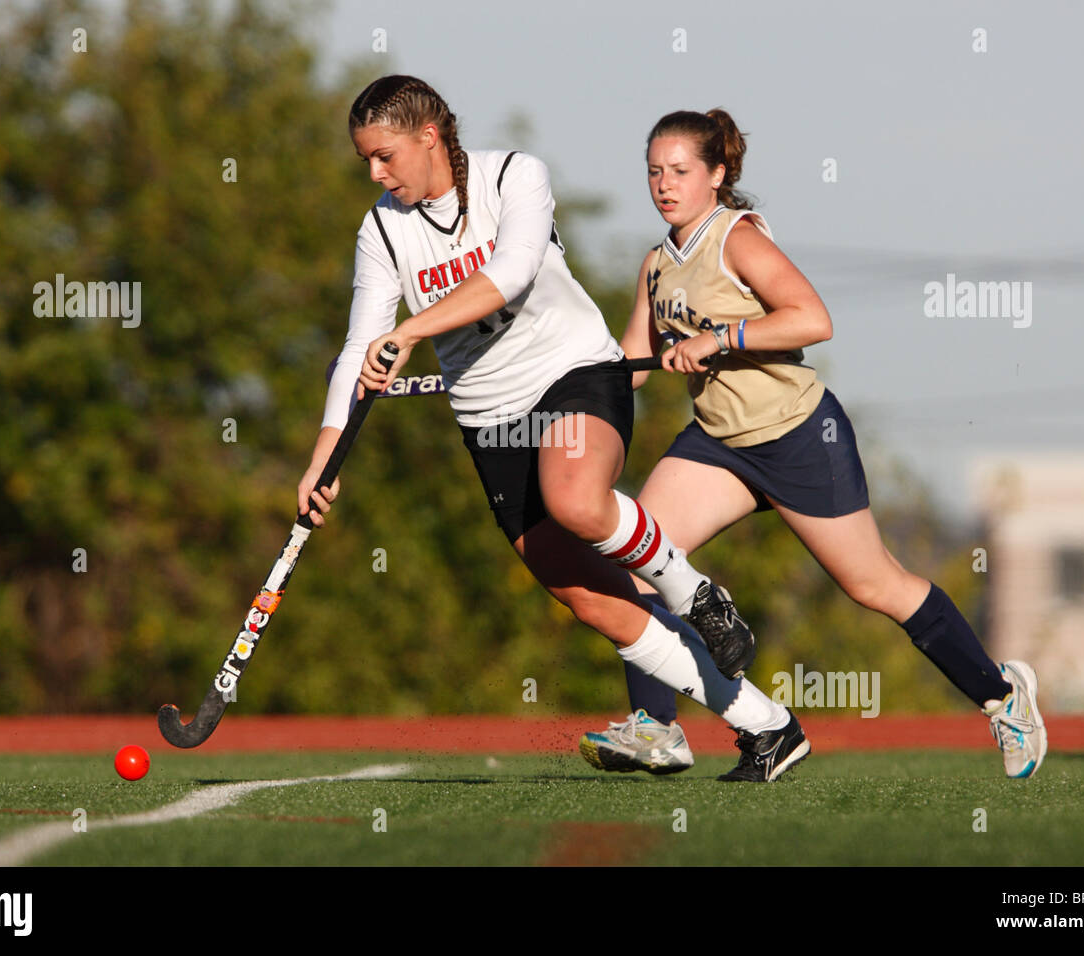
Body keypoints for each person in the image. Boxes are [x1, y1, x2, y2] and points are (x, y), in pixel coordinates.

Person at [299, 76, 809, 782]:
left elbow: (509, 275)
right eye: (366, 162)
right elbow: (359, 349)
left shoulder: (517, 176)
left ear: (427, 136)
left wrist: (412, 328)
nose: (376, 174)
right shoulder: (383, 229)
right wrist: (322, 462)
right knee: (592, 598)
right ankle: (766, 725)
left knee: (575, 498)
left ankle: (694, 593)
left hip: (574, 374)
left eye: (384, 156)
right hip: (488, 417)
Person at [579, 108, 1047, 780]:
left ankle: (1002, 698)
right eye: (654, 171)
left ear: (715, 175)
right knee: (633, 558)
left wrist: (720, 339)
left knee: (874, 585)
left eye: (679, 171)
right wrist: (567, 377)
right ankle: (657, 728)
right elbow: (634, 361)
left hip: (798, 436)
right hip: (717, 443)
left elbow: (811, 318)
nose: (663, 184)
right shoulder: (657, 264)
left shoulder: (736, 238)